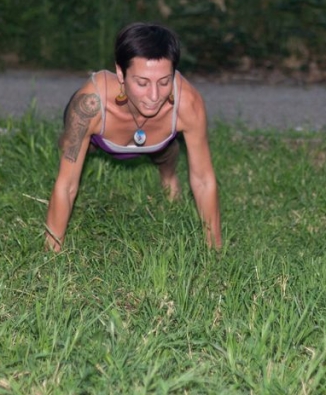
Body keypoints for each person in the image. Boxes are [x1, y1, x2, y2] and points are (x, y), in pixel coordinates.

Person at [44, 22, 221, 251]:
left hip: (159, 139)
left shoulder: (188, 102)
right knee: (71, 147)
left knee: (165, 150)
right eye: (142, 83)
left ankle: (168, 177)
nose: (154, 96)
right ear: (121, 73)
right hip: (99, 135)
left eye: (164, 81)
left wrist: (215, 250)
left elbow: (204, 180)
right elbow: (66, 185)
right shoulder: (89, 105)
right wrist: (51, 251)